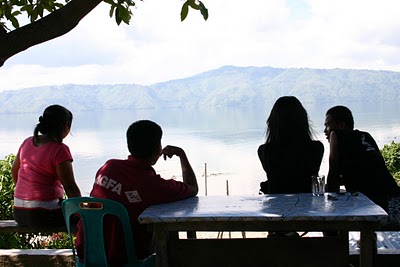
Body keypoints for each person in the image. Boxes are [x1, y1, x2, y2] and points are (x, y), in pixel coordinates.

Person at [75, 120, 198, 264]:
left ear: (129, 145)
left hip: (88, 256)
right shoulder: (153, 185)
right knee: (170, 234)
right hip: (125, 259)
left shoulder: (108, 167)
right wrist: (181, 154)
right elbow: (192, 188)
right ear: (158, 148)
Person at [324, 105, 400, 224]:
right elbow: (366, 171)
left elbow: (333, 174)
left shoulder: (336, 135)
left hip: (381, 207)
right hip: (395, 199)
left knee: (330, 220)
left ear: (341, 125)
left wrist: (328, 199)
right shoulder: (365, 136)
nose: (325, 130)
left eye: (327, 125)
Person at [11, 104, 81, 227]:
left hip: (19, 212)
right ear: (66, 126)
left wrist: (26, 194)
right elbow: (70, 186)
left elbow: (14, 171)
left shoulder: (27, 142)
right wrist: (80, 211)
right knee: (86, 220)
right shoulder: (60, 150)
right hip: (43, 215)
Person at [258, 96, 324, 195]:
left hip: (276, 208)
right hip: (308, 207)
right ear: (303, 121)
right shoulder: (317, 148)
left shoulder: (265, 151)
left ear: (273, 122)